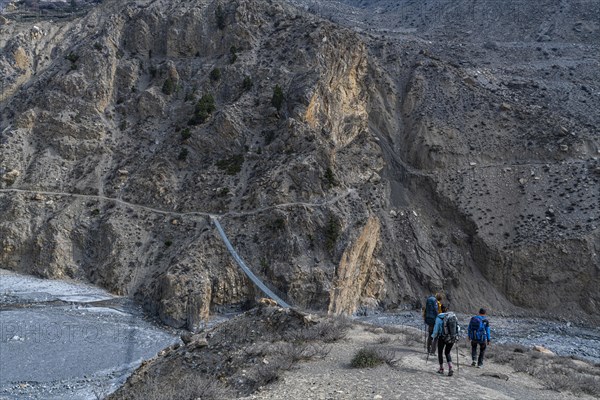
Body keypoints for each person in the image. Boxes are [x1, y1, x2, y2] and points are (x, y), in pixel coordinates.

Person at [431, 304, 458, 376]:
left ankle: (441, 369)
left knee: (440, 353)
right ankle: (450, 368)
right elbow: (458, 328)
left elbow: (436, 329)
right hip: (451, 337)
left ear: (441, 309)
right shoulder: (453, 316)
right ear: (447, 309)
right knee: (447, 352)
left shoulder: (439, 317)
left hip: (442, 337)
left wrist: (433, 336)